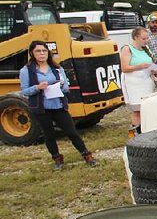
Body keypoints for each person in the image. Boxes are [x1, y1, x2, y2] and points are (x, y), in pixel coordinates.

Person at [19, 41, 98, 170]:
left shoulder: (56, 68)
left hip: (58, 105)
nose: (42, 54)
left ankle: (87, 155)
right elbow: (24, 91)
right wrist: (37, 87)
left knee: (72, 132)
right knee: (49, 134)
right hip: (41, 108)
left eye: (44, 51)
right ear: (32, 53)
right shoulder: (26, 71)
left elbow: (66, 85)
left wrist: (62, 87)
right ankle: (57, 159)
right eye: (38, 51)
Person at [120, 26, 157, 131]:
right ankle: (137, 130)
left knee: (147, 108)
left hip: (147, 81)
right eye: (143, 39)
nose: (146, 41)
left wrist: (152, 70)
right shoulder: (127, 49)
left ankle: (149, 128)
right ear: (136, 37)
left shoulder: (146, 49)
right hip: (134, 83)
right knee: (137, 110)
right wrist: (139, 66)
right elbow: (124, 68)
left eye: (147, 38)